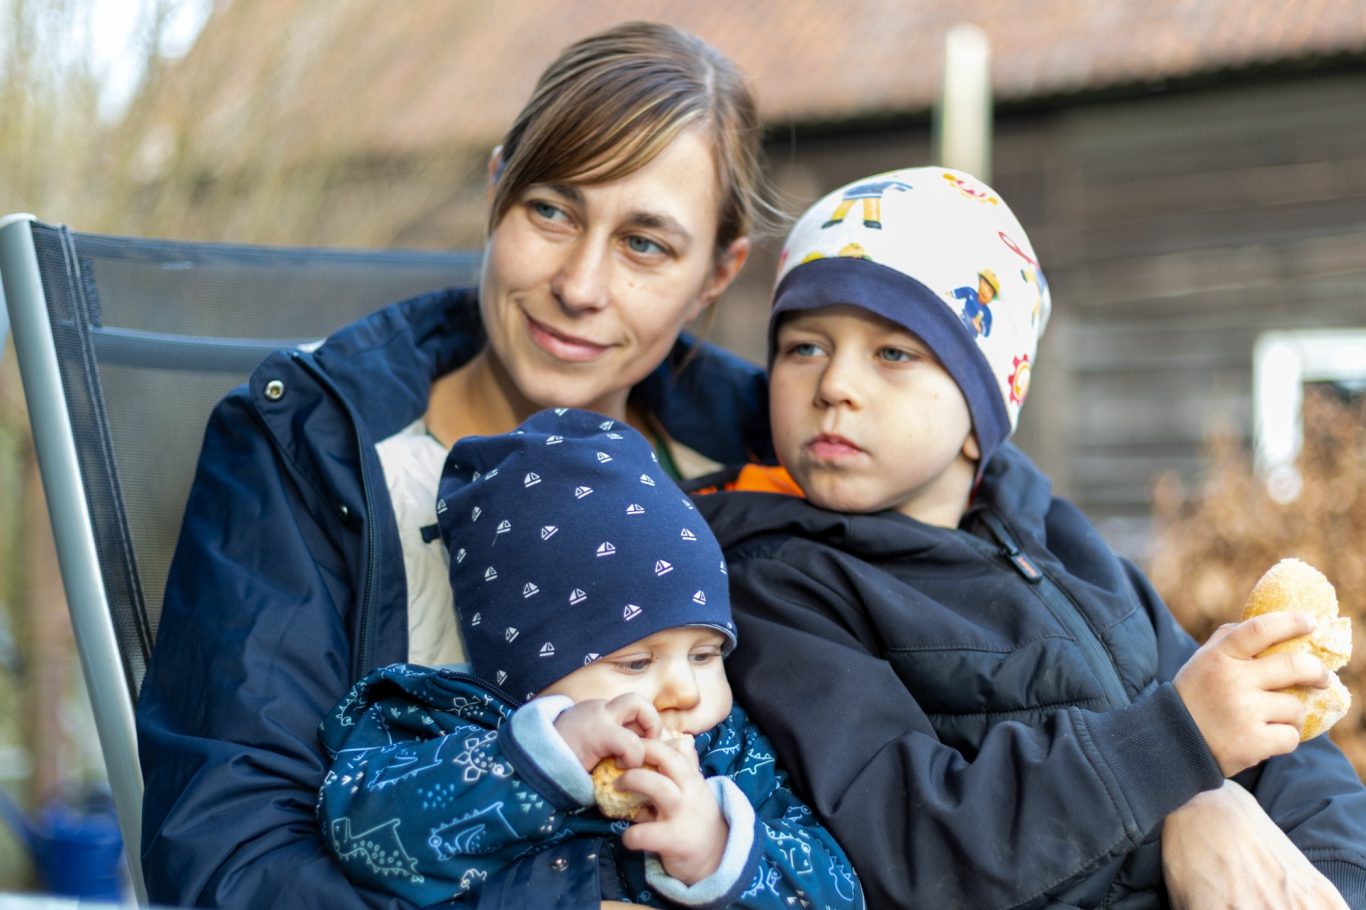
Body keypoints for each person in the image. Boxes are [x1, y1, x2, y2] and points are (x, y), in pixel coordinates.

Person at [135, 22, 778, 907]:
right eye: (551, 210)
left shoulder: (765, 454)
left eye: (646, 245)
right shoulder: (312, 451)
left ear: (717, 273)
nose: (582, 285)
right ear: (496, 190)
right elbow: (230, 863)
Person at [690, 166, 1366, 909]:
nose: (834, 385)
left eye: (893, 353)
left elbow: (1284, 750)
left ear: (982, 415)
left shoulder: (1056, 537)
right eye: (804, 347)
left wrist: (1328, 879)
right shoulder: (777, 580)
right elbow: (906, 841)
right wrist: (1177, 747)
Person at [317, 409, 863, 908]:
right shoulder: (436, 721)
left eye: (704, 654)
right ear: (528, 666)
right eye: (635, 663)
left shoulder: (735, 755)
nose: (686, 693)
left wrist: (718, 849)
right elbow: (359, 835)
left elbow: (840, 893)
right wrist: (534, 762)